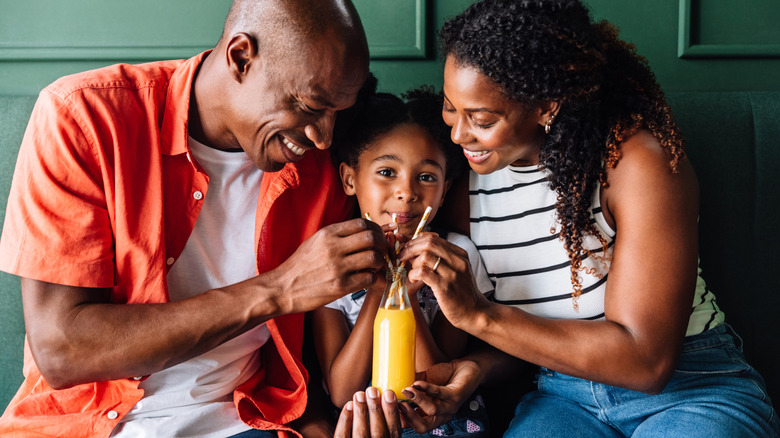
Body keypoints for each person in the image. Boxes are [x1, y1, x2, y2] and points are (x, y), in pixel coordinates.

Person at [338, 0, 780, 437]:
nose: (458, 134)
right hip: (561, 397)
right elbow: (525, 340)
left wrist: (480, 316)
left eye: (482, 118)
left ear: (548, 105)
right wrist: (471, 369)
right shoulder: (463, 187)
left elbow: (646, 363)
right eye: (452, 107)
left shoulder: (632, 163)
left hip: (691, 386)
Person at [0, 0, 393, 436]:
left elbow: (308, 353)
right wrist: (280, 289)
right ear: (241, 57)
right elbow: (62, 349)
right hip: (88, 425)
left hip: (249, 422)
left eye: (337, 113)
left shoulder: (326, 168)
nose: (323, 137)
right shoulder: (83, 118)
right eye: (308, 106)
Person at [313, 87, 493, 436]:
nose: (407, 192)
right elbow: (340, 391)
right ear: (350, 179)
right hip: (364, 423)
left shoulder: (456, 256)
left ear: (444, 190)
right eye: (387, 172)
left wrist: (406, 295)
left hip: (442, 423)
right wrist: (381, 292)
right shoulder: (334, 259)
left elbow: (434, 380)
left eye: (426, 177)